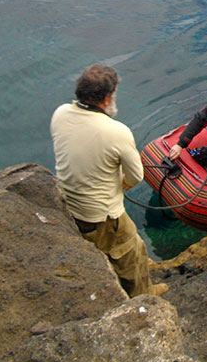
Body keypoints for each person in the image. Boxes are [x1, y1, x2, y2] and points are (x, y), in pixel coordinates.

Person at [50, 64, 165, 298]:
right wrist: (122, 185)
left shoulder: (60, 114)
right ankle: (145, 299)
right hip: (101, 214)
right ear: (106, 98)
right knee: (131, 252)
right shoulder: (116, 131)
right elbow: (136, 175)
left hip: (69, 204)